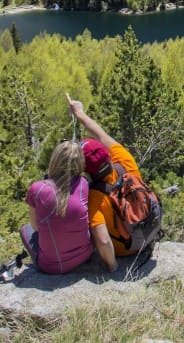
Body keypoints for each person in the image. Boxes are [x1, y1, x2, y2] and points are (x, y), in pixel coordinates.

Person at [66, 93, 145, 271]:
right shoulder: (125, 162)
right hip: (146, 235)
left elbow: (102, 241)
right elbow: (101, 135)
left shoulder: (95, 198)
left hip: (126, 250)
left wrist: (113, 266)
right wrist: (80, 114)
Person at [21, 139, 93, 274]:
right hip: (84, 256)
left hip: (52, 267)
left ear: (54, 160)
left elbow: (36, 227)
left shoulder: (37, 189)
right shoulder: (83, 184)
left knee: (26, 229)